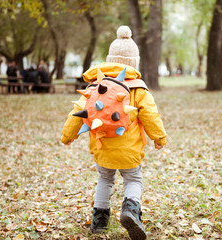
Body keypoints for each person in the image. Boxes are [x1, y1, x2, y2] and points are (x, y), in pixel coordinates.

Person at [61, 26, 167, 240]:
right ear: (134, 63)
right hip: (129, 151)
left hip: (103, 148)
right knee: (133, 180)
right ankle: (131, 209)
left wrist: (68, 136)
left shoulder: (95, 86)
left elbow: (77, 112)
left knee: (105, 179)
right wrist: (159, 137)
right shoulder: (139, 89)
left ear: (110, 60)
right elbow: (151, 115)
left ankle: (99, 220)